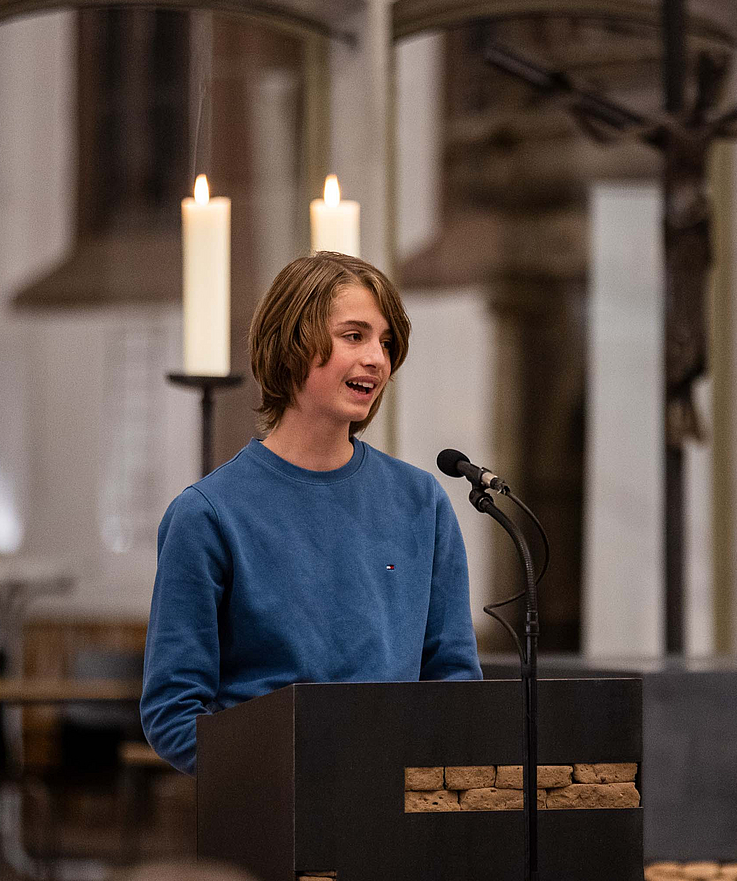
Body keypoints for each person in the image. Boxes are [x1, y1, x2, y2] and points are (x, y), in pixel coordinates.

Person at [141, 251, 482, 775]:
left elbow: (455, 684)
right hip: (272, 808)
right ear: (292, 345)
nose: (377, 359)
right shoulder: (207, 515)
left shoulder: (422, 501)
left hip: (397, 806)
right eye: (354, 336)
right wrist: (298, 776)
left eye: (386, 342)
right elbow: (173, 713)